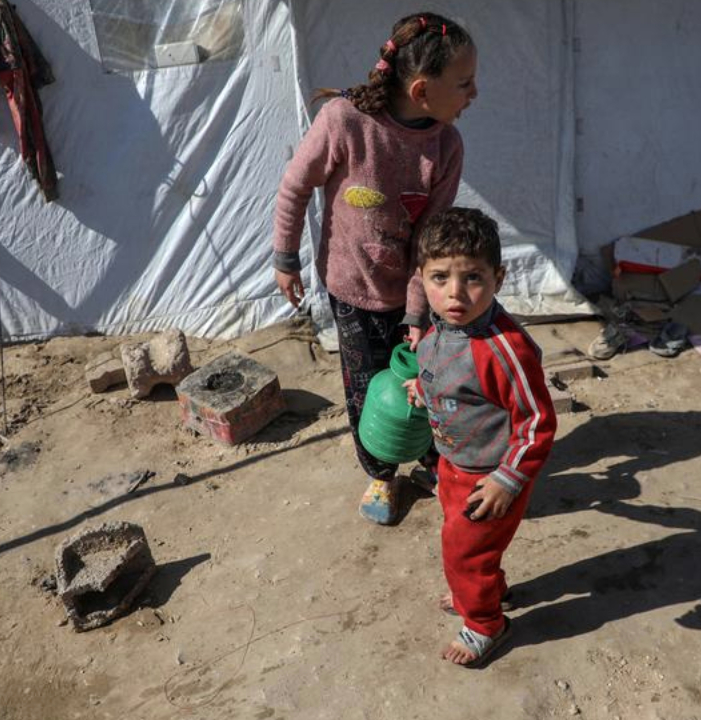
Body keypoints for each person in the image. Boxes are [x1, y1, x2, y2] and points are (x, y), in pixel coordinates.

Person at [272, 13, 477, 525]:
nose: (475, 93)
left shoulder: (446, 147)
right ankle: (382, 474)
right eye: (465, 83)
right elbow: (295, 187)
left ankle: (430, 460)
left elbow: (431, 244)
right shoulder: (344, 122)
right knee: (368, 389)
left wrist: (417, 312)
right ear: (421, 89)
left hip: (416, 291)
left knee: (425, 380)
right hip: (352, 290)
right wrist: (285, 258)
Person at [409, 208, 557, 667]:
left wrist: (507, 480)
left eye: (472, 277)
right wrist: (423, 388)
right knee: (470, 549)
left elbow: (537, 421)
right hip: (452, 464)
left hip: (490, 477)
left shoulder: (504, 349)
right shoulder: (441, 326)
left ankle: (486, 623)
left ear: (499, 278)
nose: (455, 292)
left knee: (463, 552)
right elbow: (447, 373)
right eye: (440, 278)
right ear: (421, 278)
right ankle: (484, 591)